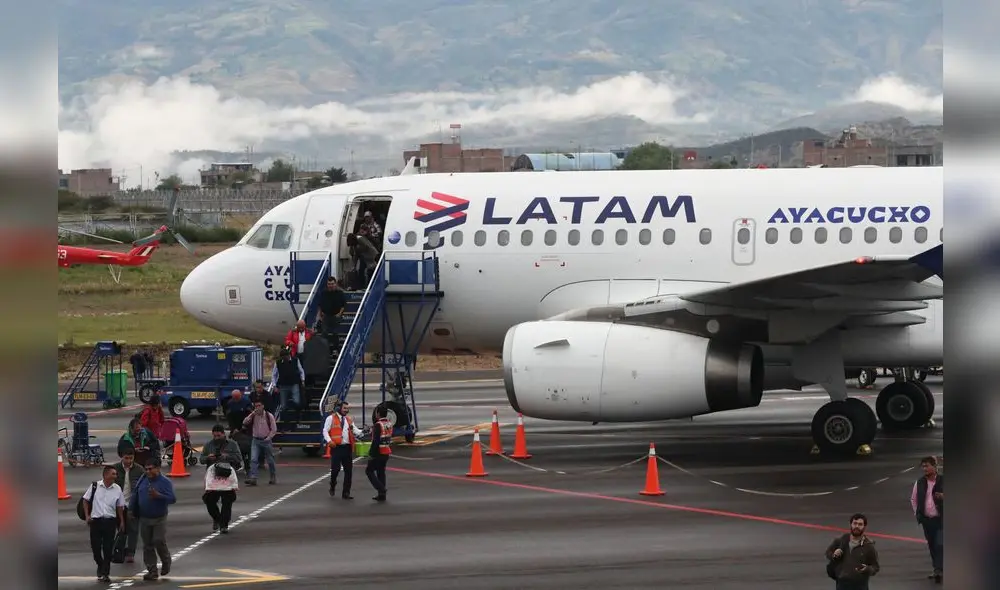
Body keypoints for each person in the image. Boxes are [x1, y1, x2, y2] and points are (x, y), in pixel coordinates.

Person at [130, 458, 176, 581]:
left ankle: (166, 561)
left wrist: (158, 496)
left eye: (150, 469)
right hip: (144, 517)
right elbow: (135, 494)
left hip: (159, 517)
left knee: (158, 540)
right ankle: (152, 571)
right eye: (146, 469)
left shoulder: (164, 482)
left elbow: (172, 499)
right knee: (147, 545)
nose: (148, 471)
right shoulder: (143, 479)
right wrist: (131, 510)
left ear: (158, 468)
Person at [81, 465, 126, 583]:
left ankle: (105, 572)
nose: (115, 476)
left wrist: (121, 521)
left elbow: (120, 506)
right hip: (96, 522)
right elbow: (85, 500)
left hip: (110, 522)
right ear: (105, 475)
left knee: (108, 548)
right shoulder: (95, 486)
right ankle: (100, 564)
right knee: (95, 548)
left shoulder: (117, 489)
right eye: (113, 474)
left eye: (116, 474)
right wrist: (87, 516)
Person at [200, 424, 243, 534]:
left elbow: (239, 458)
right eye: (214, 436)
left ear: (224, 434)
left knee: (227, 501)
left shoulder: (232, 444)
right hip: (213, 477)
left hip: (227, 476)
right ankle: (217, 519)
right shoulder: (208, 445)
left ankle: (224, 525)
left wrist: (226, 457)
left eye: (218, 436)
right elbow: (201, 459)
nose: (216, 438)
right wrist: (208, 458)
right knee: (209, 500)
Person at [825, 513, 880, 590]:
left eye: (860, 524)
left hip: (860, 585)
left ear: (864, 527)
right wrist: (834, 555)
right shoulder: (840, 540)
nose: (857, 526)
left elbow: (875, 567)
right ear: (851, 524)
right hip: (842, 584)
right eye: (855, 523)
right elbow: (828, 553)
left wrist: (867, 569)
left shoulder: (868, 546)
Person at [911, 455, 943, 583]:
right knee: (931, 544)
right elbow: (914, 499)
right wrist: (918, 514)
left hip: (941, 519)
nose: (925, 469)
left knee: (940, 544)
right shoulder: (919, 483)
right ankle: (937, 568)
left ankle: (938, 569)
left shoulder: (943, 480)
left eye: (927, 466)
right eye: (923, 466)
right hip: (926, 520)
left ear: (934, 467)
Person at [322, 402, 363, 499]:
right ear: (338, 408)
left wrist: (364, 432)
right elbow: (325, 431)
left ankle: (346, 492)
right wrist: (329, 441)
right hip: (336, 448)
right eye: (344, 408)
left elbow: (356, 431)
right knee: (335, 469)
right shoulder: (330, 418)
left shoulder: (348, 420)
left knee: (348, 471)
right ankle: (332, 484)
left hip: (347, 448)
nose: (346, 410)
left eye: (347, 408)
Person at [113, 449, 144, 563]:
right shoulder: (115, 469)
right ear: (122, 457)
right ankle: (119, 550)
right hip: (118, 505)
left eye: (131, 458)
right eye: (126, 458)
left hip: (133, 504)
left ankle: (130, 552)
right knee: (121, 529)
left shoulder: (139, 470)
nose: (128, 461)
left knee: (134, 530)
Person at [242, 400, 277, 486]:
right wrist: (251, 414)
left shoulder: (269, 416)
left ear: (263, 406)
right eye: (256, 406)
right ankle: (253, 478)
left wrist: (268, 438)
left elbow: (274, 429)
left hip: (266, 440)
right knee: (253, 459)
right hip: (256, 440)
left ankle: (272, 476)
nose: (257, 408)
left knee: (270, 460)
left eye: (259, 406)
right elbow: (244, 422)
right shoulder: (253, 416)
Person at [268, 346, 304, 422]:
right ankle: (286, 421)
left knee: (296, 401)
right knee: (283, 405)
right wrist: (274, 386)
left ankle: (298, 416)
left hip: (294, 384)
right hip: (283, 385)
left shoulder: (295, 360)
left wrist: (303, 380)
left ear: (288, 355)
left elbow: (301, 370)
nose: (285, 359)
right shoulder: (278, 363)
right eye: (283, 358)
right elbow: (274, 375)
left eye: (286, 357)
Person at [366, 405, 393, 502]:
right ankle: (381, 495)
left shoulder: (378, 425)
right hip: (386, 451)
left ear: (378, 414)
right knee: (381, 472)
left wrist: (371, 454)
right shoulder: (389, 423)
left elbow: (375, 441)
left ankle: (381, 488)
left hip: (379, 452)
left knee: (369, 471)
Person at [317, 277, 347, 347]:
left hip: (336, 316)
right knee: (324, 332)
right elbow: (320, 305)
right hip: (326, 316)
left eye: (332, 284)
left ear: (335, 284)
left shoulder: (340, 293)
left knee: (335, 332)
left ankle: (335, 349)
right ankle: (324, 349)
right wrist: (319, 315)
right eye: (329, 284)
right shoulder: (324, 293)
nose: (331, 285)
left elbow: (344, 305)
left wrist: (339, 314)